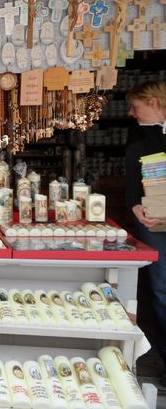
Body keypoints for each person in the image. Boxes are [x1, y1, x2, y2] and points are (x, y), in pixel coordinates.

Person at [125, 80, 166, 381]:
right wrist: (135, 206)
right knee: (161, 290)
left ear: (154, 102)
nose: (131, 113)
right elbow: (132, 177)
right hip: (155, 221)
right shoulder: (141, 132)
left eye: (135, 106)